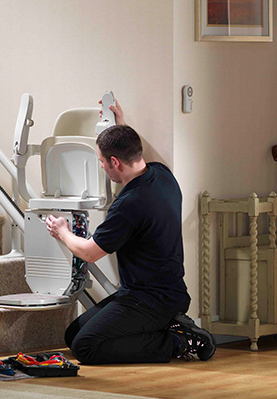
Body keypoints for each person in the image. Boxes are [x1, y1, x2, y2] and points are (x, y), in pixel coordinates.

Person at [45, 98, 216, 364]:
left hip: (153, 300)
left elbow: (89, 253)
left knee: (86, 347)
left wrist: (62, 231)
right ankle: (167, 329)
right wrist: (119, 125)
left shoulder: (128, 205)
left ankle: (178, 341)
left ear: (115, 162)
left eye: (102, 161)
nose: (101, 166)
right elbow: (131, 151)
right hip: (149, 293)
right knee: (74, 335)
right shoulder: (162, 175)